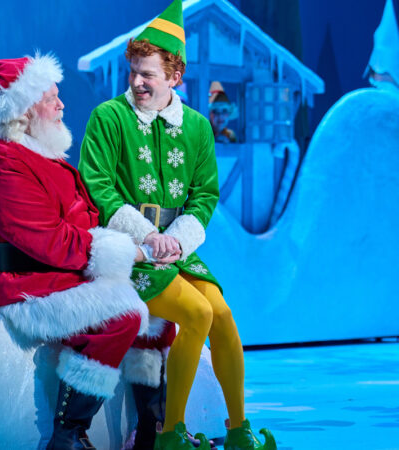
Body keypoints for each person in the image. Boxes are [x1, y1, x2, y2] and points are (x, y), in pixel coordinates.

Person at [78, 1, 277, 449]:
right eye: (134, 72)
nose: (137, 82)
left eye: (148, 74)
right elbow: (98, 187)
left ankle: (238, 429)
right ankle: (171, 433)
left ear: (175, 77)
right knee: (198, 312)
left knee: (222, 316)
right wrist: (147, 236)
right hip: (127, 250)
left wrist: (177, 241)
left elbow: (204, 196)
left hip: (176, 249)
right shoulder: (109, 117)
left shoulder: (197, 127)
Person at [0, 54, 154, 450]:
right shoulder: (0, 158)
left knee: (159, 302)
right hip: (18, 282)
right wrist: (122, 252)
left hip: (48, 269)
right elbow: (44, 237)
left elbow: (78, 216)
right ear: (23, 109)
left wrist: (131, 237)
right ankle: (68, 434)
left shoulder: (33, 149)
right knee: (124, 315)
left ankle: (152, 429)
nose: (61, 105)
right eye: (51, 98)